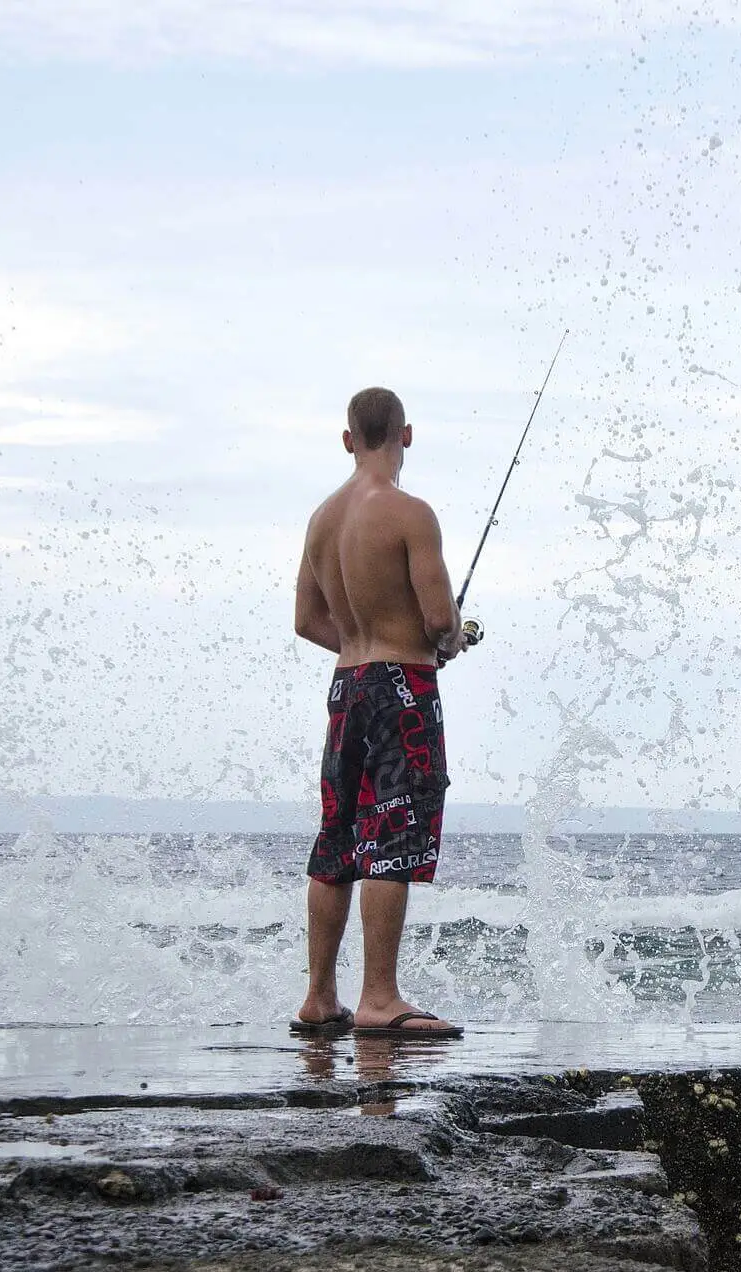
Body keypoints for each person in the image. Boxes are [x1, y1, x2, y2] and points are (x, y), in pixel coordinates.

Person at [289, 386, 466, 1039]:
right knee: (391, 833)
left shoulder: (322, 519)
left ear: (346, 439)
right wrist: (443, 645)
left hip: (347, 686)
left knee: (338, 837)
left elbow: (308, 621)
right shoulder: (408, 513)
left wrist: (366, 651)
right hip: (402, 688)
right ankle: (380, 998)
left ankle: (318, 997)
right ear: (406, 435)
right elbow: (441, 619)